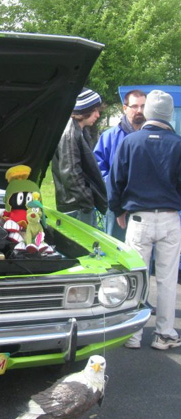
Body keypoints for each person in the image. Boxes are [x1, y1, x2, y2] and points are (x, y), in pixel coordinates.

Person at [108, 90, 181, 350]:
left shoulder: (130, 142)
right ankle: (164, 334)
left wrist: (117, 210)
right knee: (167, 278)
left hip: (138, 218)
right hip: (170, 217)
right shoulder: (178, 144)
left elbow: (116, 180)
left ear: (147, 112)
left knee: (136, 277)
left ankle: (133, 334)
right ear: (169, 114)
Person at [94, 89, 147, 240]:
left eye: (143, 106)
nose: (139, 110)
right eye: (135, 106)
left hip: (143, 205)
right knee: (115, 246)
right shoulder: (109, 137)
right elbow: (98, 167)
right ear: (125, 108)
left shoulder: (150, 138)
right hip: (117, 204)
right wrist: (113, 190)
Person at [52, 88, 108, 227]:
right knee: (82, 248)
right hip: (76, 207)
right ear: (84, 110)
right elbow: (70, 173)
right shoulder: (70, 133)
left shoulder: (80, 130)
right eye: (95, 110)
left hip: (78, 205)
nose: (98, 115)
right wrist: (88, 202)